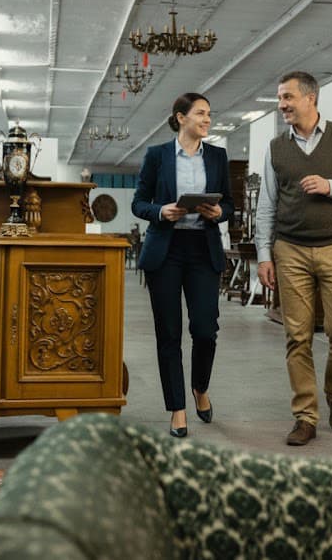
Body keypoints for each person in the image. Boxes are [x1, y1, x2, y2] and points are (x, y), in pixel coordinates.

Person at [255, 71, 332, 446]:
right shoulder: (276, 148)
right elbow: (266, 206)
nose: (282, 105)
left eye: (288, 97)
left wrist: (330, 186)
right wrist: (264, 255)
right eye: (280, 98)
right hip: (290, 249)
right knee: (297, 336)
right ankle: (305, 415)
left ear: (311, 98)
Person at [132, 93, 234, 438]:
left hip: (203, 249)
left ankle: (200, 387)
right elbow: (139, 203)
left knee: (205, 329)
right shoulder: (157, 156)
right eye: (201, 113)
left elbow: (229, 203)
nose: (207, 120)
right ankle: (177, 408)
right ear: (181, 117)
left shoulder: (217, 156)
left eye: (209, 114)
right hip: (166, 250)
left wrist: (219, 212)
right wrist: (161, 211)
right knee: (169, 334)